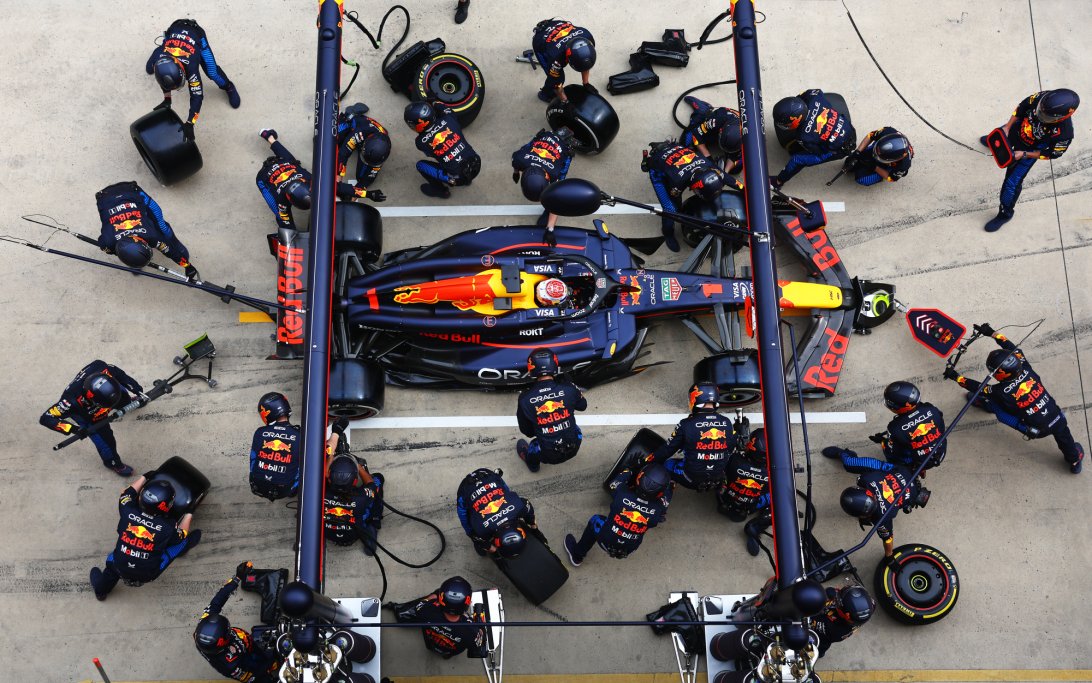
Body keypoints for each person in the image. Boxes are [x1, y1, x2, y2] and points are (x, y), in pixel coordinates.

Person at [944, 323, 1084, 473]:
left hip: (1035, 430)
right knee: (1064, 435)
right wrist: (991, 333)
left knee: (994, 402)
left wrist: (956, 377)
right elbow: (1012, 347)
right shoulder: (1026, 368)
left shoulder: (999, 390)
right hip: (1056, 417)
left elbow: (978, 388)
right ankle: (1074, 460)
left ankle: (986, 405)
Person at [979, 89, 1078, 232]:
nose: (1040, 115)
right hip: (1018, 129)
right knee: (997, 137)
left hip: (1029, 150)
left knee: (1011, 184)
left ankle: (1005, 213)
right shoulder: (1041, 98)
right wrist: (1007, 127)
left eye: (1046, 116)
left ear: (1061, 117)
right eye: (1040, 111)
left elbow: (1052, 154)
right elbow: (1021, 108)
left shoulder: (1064, 134)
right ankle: (994, 142)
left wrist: (1025, 154)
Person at [89, 475, 201, 599]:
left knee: (113, 563)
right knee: (181, 542)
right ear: (167, 506)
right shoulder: (168, 527)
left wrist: (145, 477)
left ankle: (101, 591)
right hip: (148, 574)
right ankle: (183, 549)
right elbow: (182, 534)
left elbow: (126, 494)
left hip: (119, 566)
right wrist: (189, 513)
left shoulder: (127, 510)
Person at [256, 129, 386, 231]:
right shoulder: (282, 203)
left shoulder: (313, 181)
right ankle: (269, 136)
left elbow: (340, 187)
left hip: (284, 163)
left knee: (292, 161)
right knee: (278, 213)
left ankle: (269, 136)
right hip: (264, 177)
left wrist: (369, 194)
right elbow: (286, 225)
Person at [39, 360, 144, 476]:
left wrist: (137, 389)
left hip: (111, 396)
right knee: (107, 442)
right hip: (88, 416)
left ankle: (127, 401)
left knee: (124, 398)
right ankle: (113, 463)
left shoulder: (104, 368)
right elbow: (46, 418)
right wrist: (73, 429)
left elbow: (121, 375)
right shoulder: (69, 403)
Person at [145, 18, 240, 141]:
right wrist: (167, 98)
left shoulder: (191, 66)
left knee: (212, 72)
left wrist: (190, 123)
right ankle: (167, 40)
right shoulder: (157, 58)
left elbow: (197, 96)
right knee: (149, 68)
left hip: (196, 35)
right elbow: (162, 77)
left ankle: (229, 87)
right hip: (175, 28)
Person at [563, 462, 673, 566]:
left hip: (605, 542)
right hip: (630, 549)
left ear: (639, 479)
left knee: (596, 520)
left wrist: (630, 469)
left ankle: (577, 555)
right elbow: (666, 496)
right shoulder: (659, 509)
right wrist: (670, 485)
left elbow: (613, 484)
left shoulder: (621, 494)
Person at [194, 562, 285, 682]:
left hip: (248, 645)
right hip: (248, 664)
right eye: (229, 632)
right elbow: (252, 675)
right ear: (223, 643)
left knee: (258, 653)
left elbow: (218, 600)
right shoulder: (230, 665)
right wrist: (270, 663)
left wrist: (237, 578)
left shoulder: (204, 623)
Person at [644, 140, 738, 251]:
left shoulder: (711, 167)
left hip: (675, 149)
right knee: (671, 210)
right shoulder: (677, 182)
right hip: (658, 169)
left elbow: (734, 182)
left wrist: (748, 194)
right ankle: (667, 233)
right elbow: (676, 203)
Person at [95, 181, 200, 280]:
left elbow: (170, 251)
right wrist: (188, 266)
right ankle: (136, 262)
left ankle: (175, 242)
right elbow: (106, 245)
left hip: (130, 192)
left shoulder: (151, 235)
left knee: (162, 227)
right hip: (106, 198)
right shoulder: (107, 242)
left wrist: (187, 265)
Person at [648, 383, 734, 490]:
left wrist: (647, 460)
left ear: (695, 399)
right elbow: (730, 449)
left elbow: (667, 450)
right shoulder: (727, 422)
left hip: (691, 479)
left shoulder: (686, 424)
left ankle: (668, 486)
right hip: (717, 477)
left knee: (667, 463)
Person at [515, 348, 587, 472]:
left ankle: (533, 465)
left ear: (531, 367)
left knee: (533, 445)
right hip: (575, 445)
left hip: (548, 455)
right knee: (575, 429)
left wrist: (546, 426)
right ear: (554, 364)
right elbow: (583, 406)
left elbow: (527, 432)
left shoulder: (525, 399)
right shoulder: (569, 388)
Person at [770, 89, 856, 188]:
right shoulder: (814, 96)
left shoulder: (803, 136)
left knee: (797, 159)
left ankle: (778, 182)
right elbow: (818, 91)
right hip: (849, 129)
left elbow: (818, 151)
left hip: (840, 149)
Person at [838, 466, 927, 561]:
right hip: (905, 470)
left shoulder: (881, 516)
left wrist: (889, 556)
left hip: (915, 492)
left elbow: (888, 539)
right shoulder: (865, 478)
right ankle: (921, 469)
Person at [386, 576, 487, 658]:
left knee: (431, 645)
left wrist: (435, 595)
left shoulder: (426, 610)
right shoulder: (471, 631)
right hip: (450, 650)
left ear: (442, 600)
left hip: (430, 642)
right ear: (466, 605)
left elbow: (421, 604)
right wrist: (479, 620)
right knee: (448, 653)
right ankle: (446, 656)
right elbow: (478, 648)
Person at [323, 426, 384, 555]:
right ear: (355, 481)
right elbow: (370, 483)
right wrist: (358, 466)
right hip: (354, 534)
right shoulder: (362, 496)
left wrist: (331, 456)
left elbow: (324, 474)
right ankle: (375, 521)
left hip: (326, 534)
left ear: (329, 478)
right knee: (378, 478)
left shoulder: (317, 493)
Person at [456, 468, 541, 557]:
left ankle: (482, 547)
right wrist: (487, 546)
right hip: (467, 488)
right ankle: (480, 546)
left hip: (489, 477)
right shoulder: (480, 528)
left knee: (505, 492)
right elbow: (472, 534)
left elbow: (528, 508)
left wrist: (533, 525)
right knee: (468, 527)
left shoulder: (520, 506)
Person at [404, 101, 481, 199]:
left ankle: (440, 191)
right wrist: (433, 102)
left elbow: (432, 154)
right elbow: (443, 107)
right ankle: (468, 180)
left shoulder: (420, 142)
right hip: (476, 163)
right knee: (460, 155)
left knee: (420, 165)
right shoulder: (449, 118)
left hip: (458, 179)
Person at [715, 428, 771, 557]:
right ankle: (756, 529)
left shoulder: (734, 459)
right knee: (783, 496)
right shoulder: (773, 472)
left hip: (725, 498)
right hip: (752, 506)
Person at [511, 128, 576, 239]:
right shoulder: (519, 159)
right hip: (545, 137)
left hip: (559, 144)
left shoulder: (555, 173)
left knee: (561, 181)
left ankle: (570, 147)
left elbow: (556, 200)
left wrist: (550, 228)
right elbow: (516, 164)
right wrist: (516, 172)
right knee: (530, 145)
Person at [249, 392, 300, 501]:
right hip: (285, 490)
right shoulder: (300, 435)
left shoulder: (259, 432)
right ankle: (294, 490)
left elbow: (253, 459)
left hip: (257, 486)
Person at [531, 19, 596, 103]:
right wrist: (565, 101)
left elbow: (585, 62)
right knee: (558, 78)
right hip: (540, 40)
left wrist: (586, 83)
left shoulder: (587, 37)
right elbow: (556, 85)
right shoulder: (556, 58)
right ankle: (544, 94)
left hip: (557, 24)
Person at [336, 102, 392, 187]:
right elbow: (343, 153)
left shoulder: (382, 153)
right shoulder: (360, 133)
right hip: (358, 126)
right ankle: (352, 113)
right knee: (333, 141)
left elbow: (365, 182)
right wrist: (338, 182)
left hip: (369, 137)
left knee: (361, 177)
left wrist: (352, 196)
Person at [810, 585, 875, 658]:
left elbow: (812, 621)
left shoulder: (832, 628)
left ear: (845, 615)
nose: (836, 600)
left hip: (827, 636)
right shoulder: (870, 606)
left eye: (838, 602)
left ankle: (819, 653)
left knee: (821, 644)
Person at [681, 96, 742, 172]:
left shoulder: (749, 137)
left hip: (734, 135)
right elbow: (697, 136)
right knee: (685, 146)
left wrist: (724, 172)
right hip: (717, 123)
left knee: (737, 168)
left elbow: (736, 157)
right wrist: (708, 159)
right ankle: (703, 109)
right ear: (720, 131)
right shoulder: (715, 121)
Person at [845, 128, 913, 186]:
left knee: (862, 179)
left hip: (888, 166)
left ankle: (879, 177)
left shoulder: (903, 165)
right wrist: (858, 152)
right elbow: (871, 135)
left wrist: (874, 167)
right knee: (850, 161)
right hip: (878, 148)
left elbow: (891, 178)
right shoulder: (887, 131)